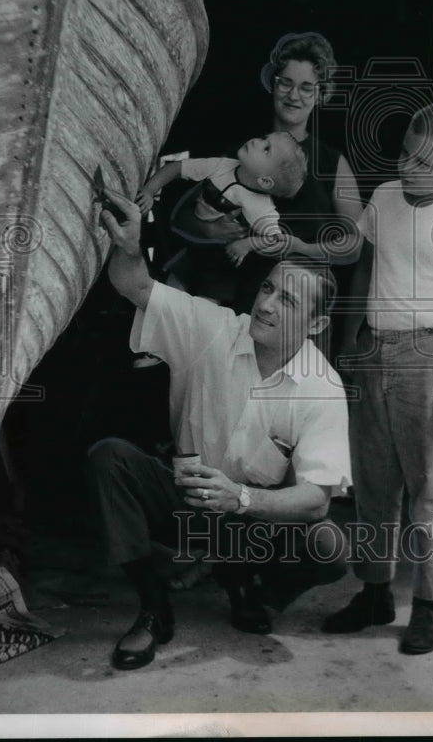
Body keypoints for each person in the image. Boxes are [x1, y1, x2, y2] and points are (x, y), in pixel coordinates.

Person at [90, 190, 351, 671]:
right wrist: (128, 247)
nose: (266, 305)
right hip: (185, 502)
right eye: (268, 288)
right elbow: (135, 285)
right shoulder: (213, 328)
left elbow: (317, 499)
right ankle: (154, 607)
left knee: (329, 546)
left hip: (252, 523)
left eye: (287, 301)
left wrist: (242, 498)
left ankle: (250, 588)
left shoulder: (323, 387)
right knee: (110, 458)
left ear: (316, 324)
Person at [323, 100, 433, 655]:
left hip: (431, 357)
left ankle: (428, 604)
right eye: (404, 153)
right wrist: (349, 338)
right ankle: (375, 592)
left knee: (432, 489)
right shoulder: (383, 197)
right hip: (374, 349)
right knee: (373, 482)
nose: (406, 165)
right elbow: (364, 265)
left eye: (422, 161)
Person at [171, 32, 363, 328]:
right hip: (223, 300)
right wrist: (211, 230)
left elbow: (354, 245)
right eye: (285, 82)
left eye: (306, 87)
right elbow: (182, 217)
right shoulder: (246, 151)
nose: (293, 95)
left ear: (320, 94)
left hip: (287, 309)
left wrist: (301, 247)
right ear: (273, 84)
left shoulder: (333, 163)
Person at [135, 130, 307, 304]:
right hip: (191, 247)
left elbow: (278, 239)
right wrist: (150, 190)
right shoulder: (221, 166)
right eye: (264, 138)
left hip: (218, 267)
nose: (256, 141)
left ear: (265, 181)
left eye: (266, 149)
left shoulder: (261, 207)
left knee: (204, 307)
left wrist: (247, 244)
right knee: (167, 296)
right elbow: (177, 168)